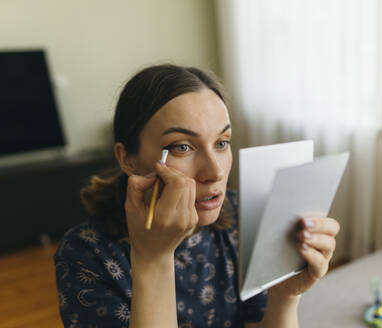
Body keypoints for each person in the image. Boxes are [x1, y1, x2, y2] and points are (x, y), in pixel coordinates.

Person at [54, 64, 340, 328]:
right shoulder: (85, 255)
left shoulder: (239, 216)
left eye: (221, 143)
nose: (214, 172)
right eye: (182, 147)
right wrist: (153, 259)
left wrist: (284, 295)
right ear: (127, 159)